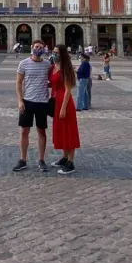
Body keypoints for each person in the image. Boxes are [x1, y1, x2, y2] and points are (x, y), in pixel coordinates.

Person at [13, 40, 53, 173]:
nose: (38, 49)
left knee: (41, 132)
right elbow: (18, 83)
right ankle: (23, 159)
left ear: (44, 49)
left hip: (42, 102)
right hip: (27, 101)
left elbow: (53, 80)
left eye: (40, 47)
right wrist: (20, 101)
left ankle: (41, 160)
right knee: (24, 131)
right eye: (36, 47)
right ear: (32, 48)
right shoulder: (23, 63)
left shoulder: (47, 65)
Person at [49, 47, 81, 175]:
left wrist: (63, 108)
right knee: (61, 131)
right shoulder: (54, 66)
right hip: (56, 101)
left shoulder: (66, 69)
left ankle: (71, 162)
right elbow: (53, 83)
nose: (54, 54)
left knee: (69, 131)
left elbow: (68, 89)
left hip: (65, 103)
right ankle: (64, 157)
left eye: (56, 52)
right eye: (53, 52)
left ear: (62, 54)